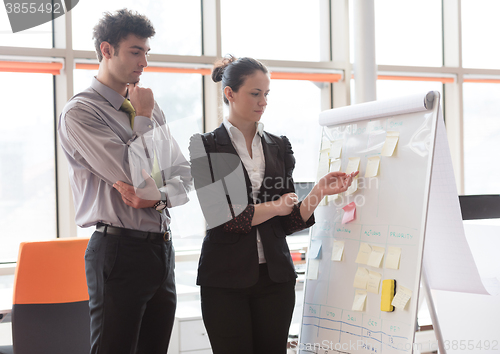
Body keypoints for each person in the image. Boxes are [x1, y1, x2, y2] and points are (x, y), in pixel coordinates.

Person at [189, 55, 358, 354]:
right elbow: (224, 218)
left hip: (276, 279)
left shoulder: (279, 146)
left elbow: (289, 221)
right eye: (255, 93)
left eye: (266, 94)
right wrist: (276, 207)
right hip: (225, 281)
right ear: (230, 93)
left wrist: (319, 190)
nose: (263, 101)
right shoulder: (205, 146)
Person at [58, 9, 192, 354]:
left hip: (161, 248)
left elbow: (185, 173)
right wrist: (143, 119)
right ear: (106, 50)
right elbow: (131, 174)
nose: (144, 61)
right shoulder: (81, 113)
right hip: (118, 251)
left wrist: (158, 198)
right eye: (135, 51)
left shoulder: (148, 104)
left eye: (147, 52)